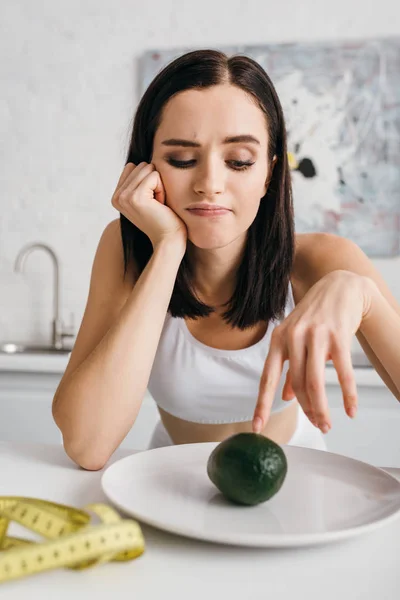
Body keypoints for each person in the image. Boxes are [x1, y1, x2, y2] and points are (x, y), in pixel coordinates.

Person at [52, 49, 400, 470]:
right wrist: (167, 248)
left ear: (269, 173)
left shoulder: (324, 259)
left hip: (297, 474)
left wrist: (362, 294)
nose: (209, 185)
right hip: (169, 477)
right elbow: (87, 446)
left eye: (239, 161)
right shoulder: (125, 249)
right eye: (182, 159)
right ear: (147, 168)